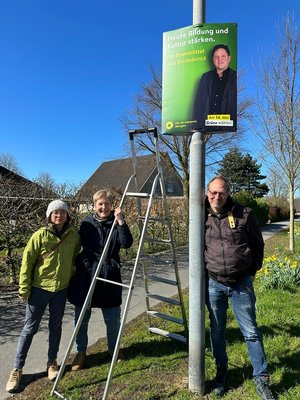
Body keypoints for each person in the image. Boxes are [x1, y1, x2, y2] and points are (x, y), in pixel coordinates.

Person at [205, 176, 275, 400]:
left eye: (222, 193)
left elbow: (258, 245)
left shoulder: (244, 213)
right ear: (207, 193)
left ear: (228, 194)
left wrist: (252, 272)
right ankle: (221, 372)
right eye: (213, 192)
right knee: (217, 331)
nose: (217, 197)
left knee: (251, 332)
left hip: (241, 283)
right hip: (214, 283)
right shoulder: (200, 215)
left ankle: (262, 379)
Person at [6, 200, 81, 393]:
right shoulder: (39, 235)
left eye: (62, 213)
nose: (59, 216)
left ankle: (52, 363)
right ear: (49, 215)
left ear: (67, 216)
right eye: (55, 213)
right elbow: (27, 262)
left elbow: (74, 258)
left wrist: (71, 274)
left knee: (55, 327)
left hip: (61, 290)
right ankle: (17, 369)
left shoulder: (73, 236)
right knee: (29, 329)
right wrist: (24, 289)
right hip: (39, 289)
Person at [68, 189, 133, 371]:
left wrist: (121, 221)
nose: (103, 207)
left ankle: (114, 349)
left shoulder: (116, 222)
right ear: (94, 205)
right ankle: (81, 352)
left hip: (109, 274)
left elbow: (126, 243)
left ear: (112, 205)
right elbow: (76, 243)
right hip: (86, 274)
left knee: (112, 319)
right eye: (100, 204)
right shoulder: (87, 222)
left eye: (106, 203)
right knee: (81, 318)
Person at [192, 44, 237, 132]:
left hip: (227, 125)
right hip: (207, 125)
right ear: (213, 59)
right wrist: (196, 125)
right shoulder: (205, 77)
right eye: (216, 56)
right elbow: (198, 103)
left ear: (229, 58)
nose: (219, 59)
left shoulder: (235, 76)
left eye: (223, 56)